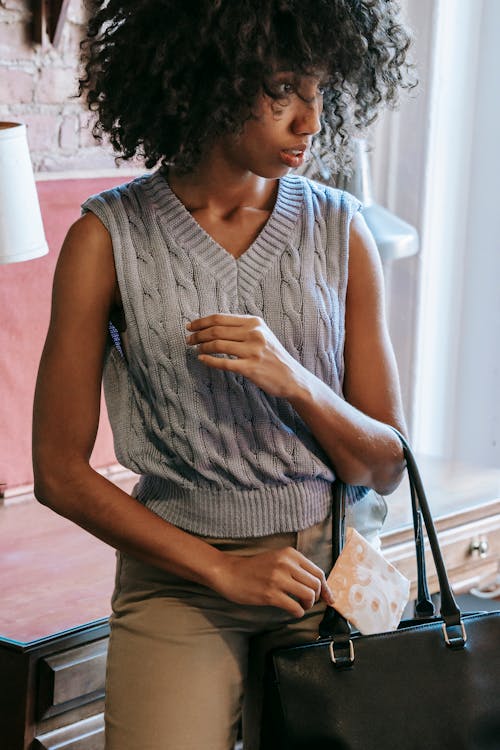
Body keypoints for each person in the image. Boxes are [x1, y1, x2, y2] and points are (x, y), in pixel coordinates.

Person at [32, 2, 414, 748]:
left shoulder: (343, 231)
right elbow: (57, 472)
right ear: (208, 83)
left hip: (331, 577)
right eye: (282, 91)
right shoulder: (106, 240)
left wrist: (295, 378)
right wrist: (220, 570)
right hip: (177, 581)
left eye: (320, 90)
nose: (310, 120)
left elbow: (386, 464)